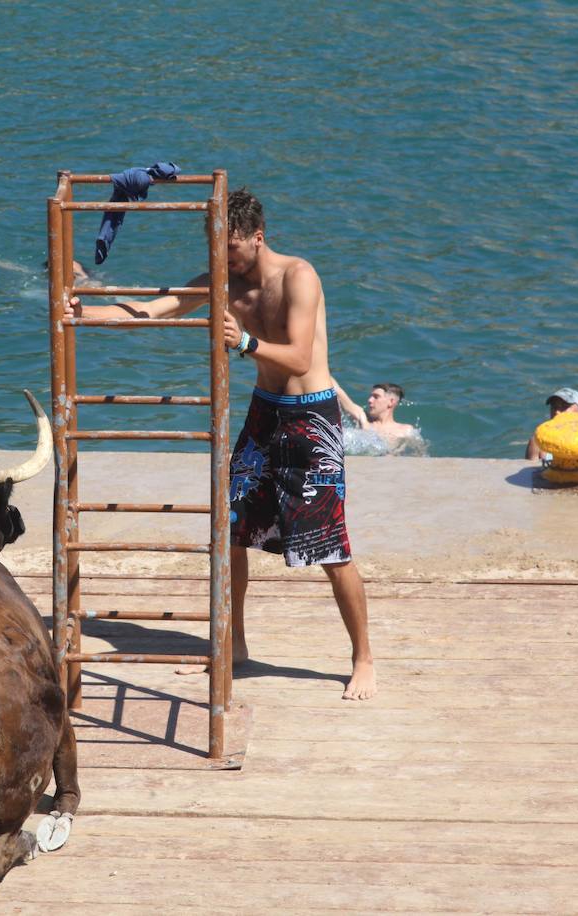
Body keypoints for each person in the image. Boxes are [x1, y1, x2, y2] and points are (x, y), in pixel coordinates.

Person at [72, 189, 375, 700]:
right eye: (217, 249)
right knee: (233, 533)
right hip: (263, 416)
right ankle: (233, 646)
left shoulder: (299, 276)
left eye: (232, 249)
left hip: (311, 422)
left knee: (330, 547)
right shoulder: (222, 282)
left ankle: (363, 657)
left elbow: (301, 359)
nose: (224, 260)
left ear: (258, 238)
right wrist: (88, 313)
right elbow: (151, 311)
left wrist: (245, 343)